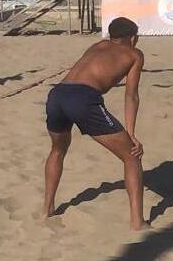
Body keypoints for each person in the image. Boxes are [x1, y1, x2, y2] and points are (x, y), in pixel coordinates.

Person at [43, 17, 148, 230]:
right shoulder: (135, 54)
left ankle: (47, 209)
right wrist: (131, 134)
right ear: (133, 37)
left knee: (57, 150)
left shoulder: (97, 45)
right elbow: (131, 96)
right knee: (131, 155)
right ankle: (137, 222)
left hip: (57, 95)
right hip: (82, 98)